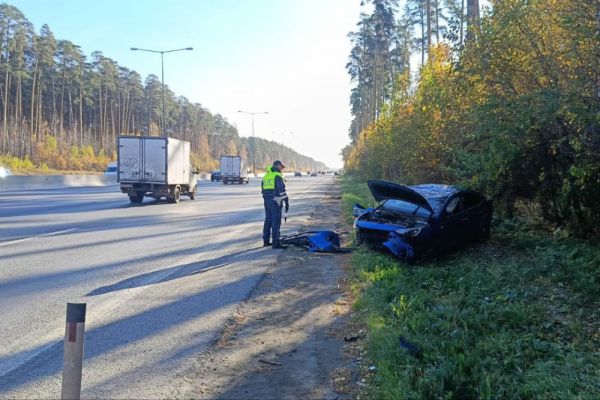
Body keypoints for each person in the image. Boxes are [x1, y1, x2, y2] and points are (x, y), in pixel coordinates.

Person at [261, 160, 289, 249]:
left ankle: (266, 241)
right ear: (276, 165)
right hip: (276, 201)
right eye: (281, 166)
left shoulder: (266, 176)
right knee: (276, 221)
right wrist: (286, 200)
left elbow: (262, 189)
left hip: (267, 200)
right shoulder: (277, 176)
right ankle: (276, 243)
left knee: (268, 220)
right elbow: (281, 190)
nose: (282, 168)